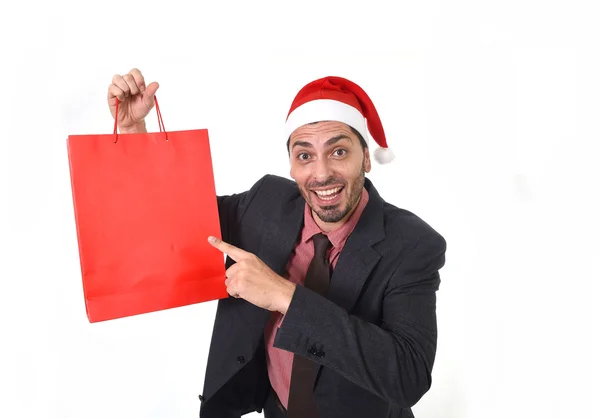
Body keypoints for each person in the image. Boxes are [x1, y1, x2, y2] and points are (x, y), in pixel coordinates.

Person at [107, 69, 447, 418]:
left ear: (365, 157)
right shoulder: (265, 203)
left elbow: (408, 376)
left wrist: (285, 296)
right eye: (304, 156)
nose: (321, 173)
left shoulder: (413, 244)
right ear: (290, 166)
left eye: (339, 152)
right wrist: (136, 136)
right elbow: (179, 222)